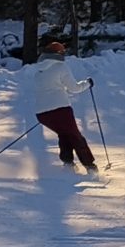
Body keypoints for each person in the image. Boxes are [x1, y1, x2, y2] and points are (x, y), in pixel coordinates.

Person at [33, 41, 98, 171]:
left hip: (42, 114)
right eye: (63, 52)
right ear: (58, 54)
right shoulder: (61, 66)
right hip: (61, 110)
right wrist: (87, 83)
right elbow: (74, 88)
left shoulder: (38, 72)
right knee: (75, 135)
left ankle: (68, 164)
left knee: (64, 134)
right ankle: (90, 166)